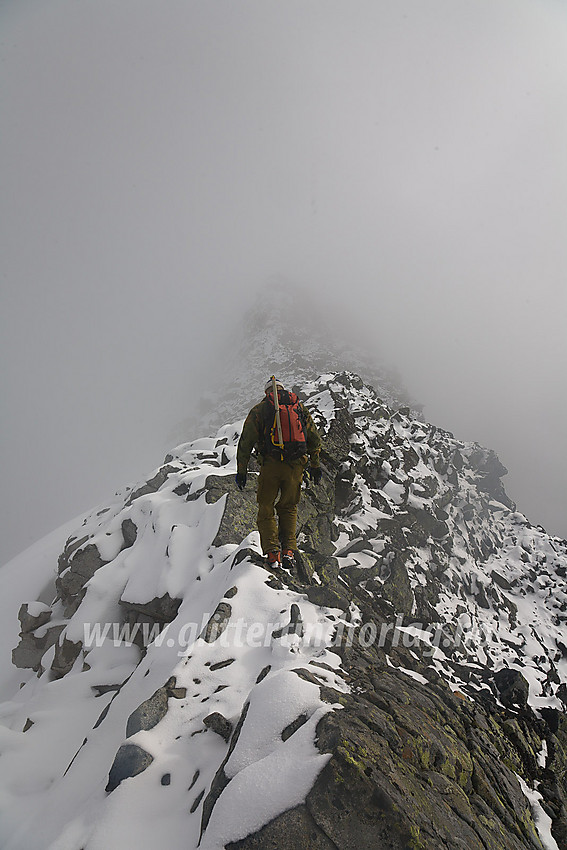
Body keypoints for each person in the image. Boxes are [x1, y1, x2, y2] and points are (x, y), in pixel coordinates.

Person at [235, 378, 322, 568]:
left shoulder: (260, 410)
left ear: (267, 392)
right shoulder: (298, 407)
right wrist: (315, 465)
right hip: (296, 466)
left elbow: (245, 443)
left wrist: (241, 471)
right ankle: (289, 550)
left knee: (266, 506)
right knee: (289, 506)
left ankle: (273, 553)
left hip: (271, 465)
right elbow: (314, 439)